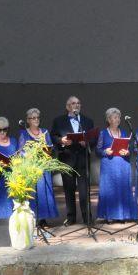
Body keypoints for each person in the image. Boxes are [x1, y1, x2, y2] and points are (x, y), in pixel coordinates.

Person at [51, 96, 95, 226]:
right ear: (67, 107)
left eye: (78, 103)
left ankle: (87, 217)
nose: (76, 105)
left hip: (82, 159)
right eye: (73, 103)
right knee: (68, 189)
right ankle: (71, 217)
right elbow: (53, 136)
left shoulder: (88, 121)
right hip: (67, 159)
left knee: (84, 190)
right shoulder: (58, 121)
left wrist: (87, 142)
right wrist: (62, 141)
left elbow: (93, 138)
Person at [17, 108, 58, 226]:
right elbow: (20, 151)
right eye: (33, 118)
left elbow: (50, 146)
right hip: (31, 168)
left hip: (43, 167)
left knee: (43, 192)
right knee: (33, 193)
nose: (36, 120)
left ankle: (43, 219)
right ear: (28, 120)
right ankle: (33, 218)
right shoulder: (24, 133)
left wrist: (48, 150)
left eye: (37, 117)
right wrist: (29, 154)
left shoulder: (45, 131)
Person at [96, 108, 135, 222]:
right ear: (108, 120)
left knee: (122, 188)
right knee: (110, 190)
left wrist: (127, 152)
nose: (117, 119)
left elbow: (129, 149)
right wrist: (105, 151)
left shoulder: (124, 133)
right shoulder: (103, 133)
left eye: (118, 117)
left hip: (123, 165)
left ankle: (123, 215)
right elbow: (97, 150)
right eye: (114, 117)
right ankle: (110, 215)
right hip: (109, 166)